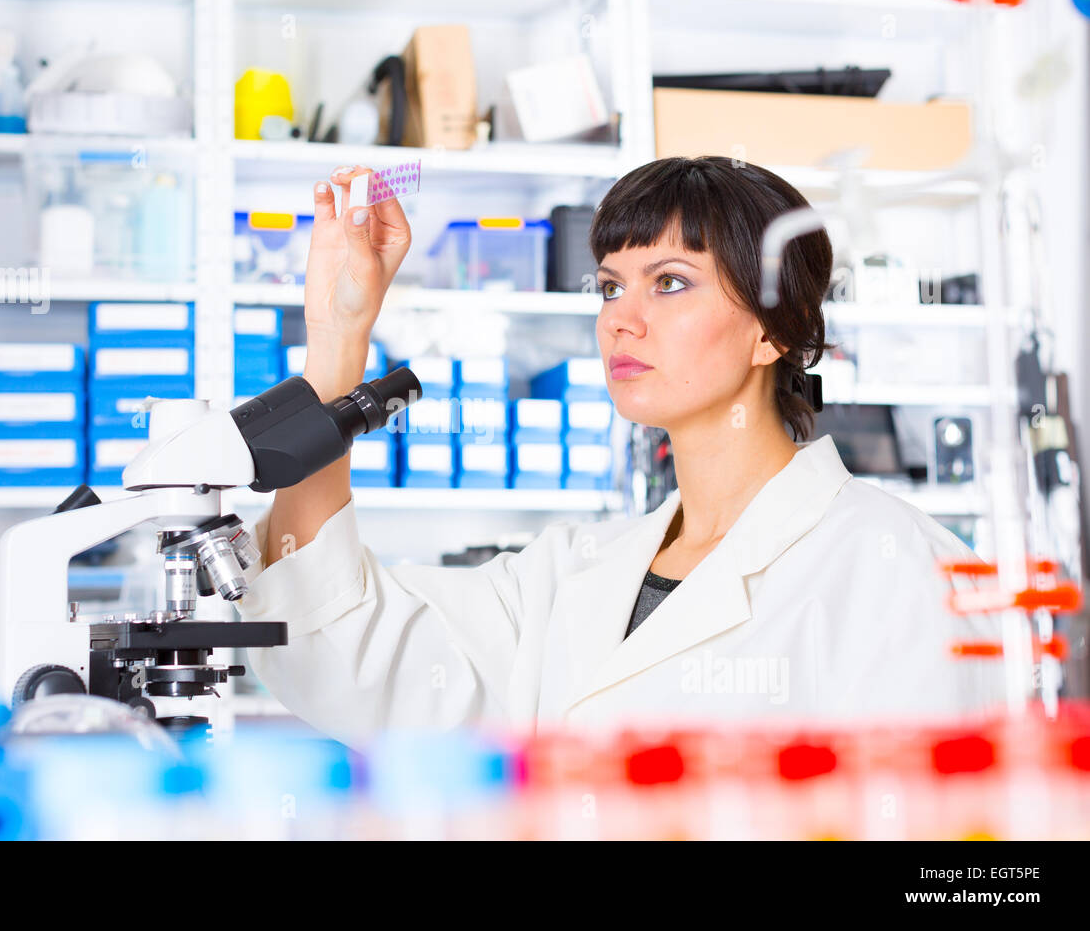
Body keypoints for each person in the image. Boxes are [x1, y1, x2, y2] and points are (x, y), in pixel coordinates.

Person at [235, 156, 1002, 749]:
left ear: (774, 332)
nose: (619, 322)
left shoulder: (893, 568)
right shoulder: (574, 571)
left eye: (669, 283)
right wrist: (338, 342)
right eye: (608, 288)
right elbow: (338, 647)